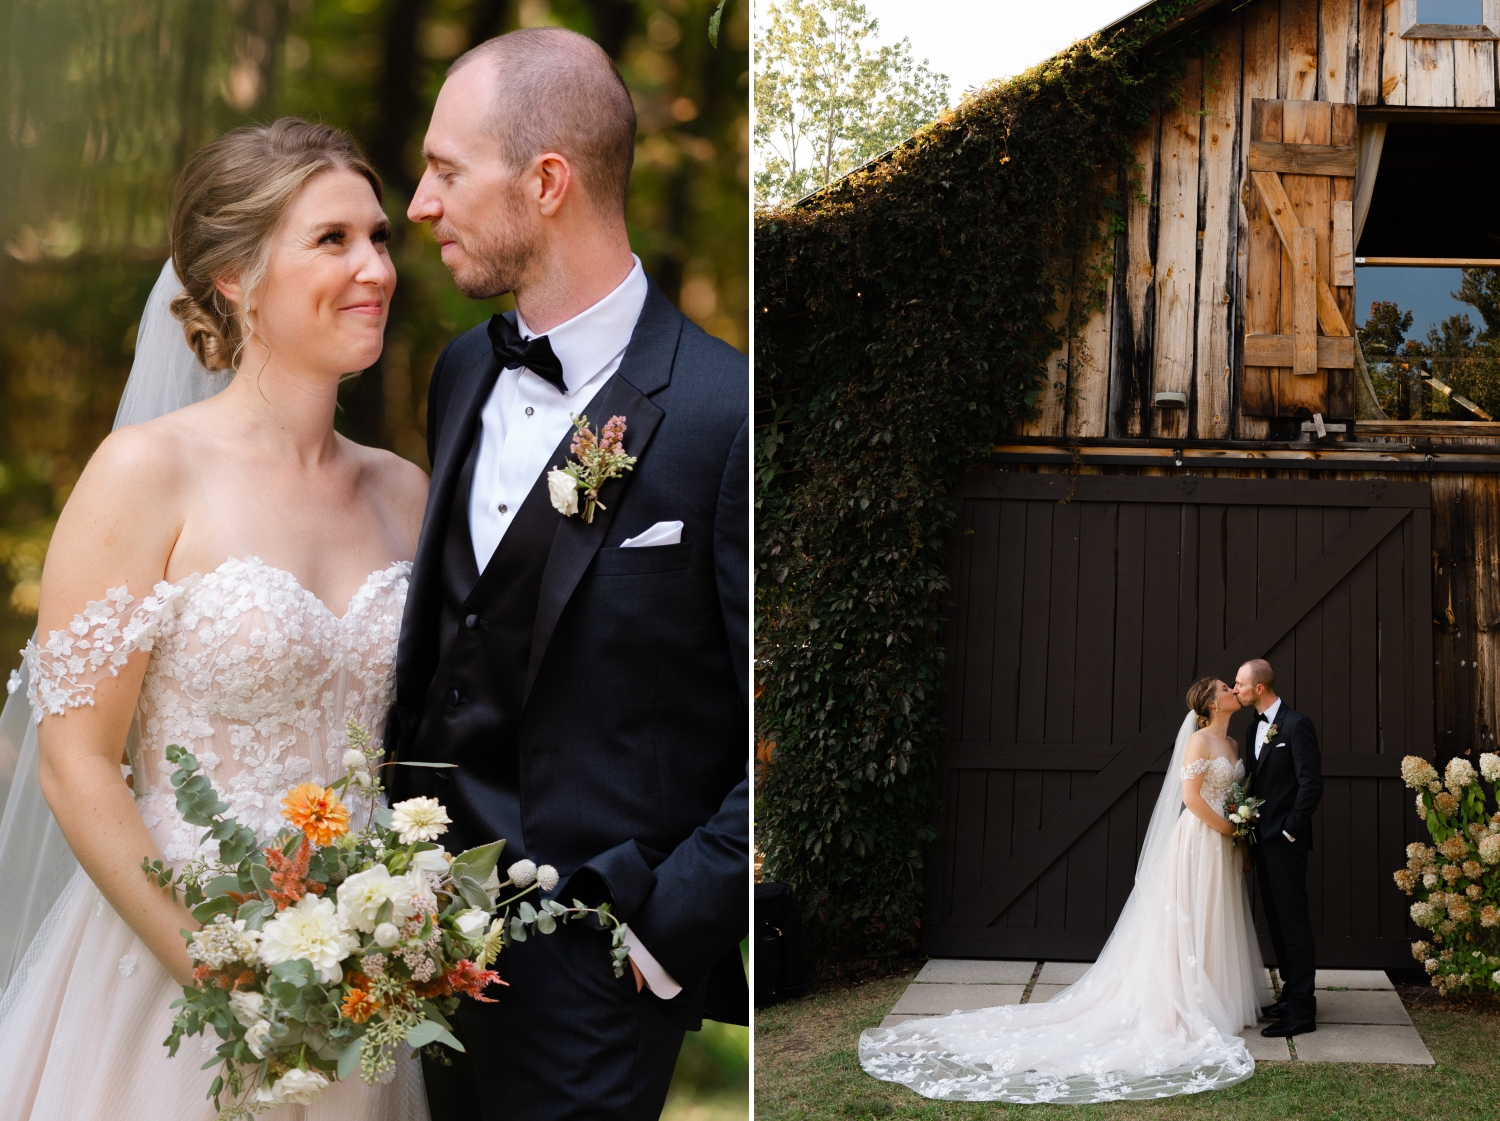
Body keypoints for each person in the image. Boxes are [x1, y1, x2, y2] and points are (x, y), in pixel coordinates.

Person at [0, 119, 431, 1119]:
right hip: (175, 972)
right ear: (234, 276)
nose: (375, 266)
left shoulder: (405, 491)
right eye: (332, 240)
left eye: (378, 237)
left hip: (359, 992)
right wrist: (226, 978)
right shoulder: (146, 474)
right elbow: (73, 760)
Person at [387, 27, 750, 1121]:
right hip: (413, 956)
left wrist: (660, 922)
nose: (418, 202)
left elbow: (769, 727)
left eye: (446, 170)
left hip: (594, 974)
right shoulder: (461, 371)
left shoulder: (725, 417)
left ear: (547, 182)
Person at [860, 678, 1268, 1104]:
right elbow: (1191, 798)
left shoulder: (1235, 746)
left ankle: (1214, 999)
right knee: (1189, 918)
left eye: (1232, 685)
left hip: (1222, 846)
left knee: (1216, 917)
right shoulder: (1199, 740)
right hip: (1199, 841)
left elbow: (1232, 794)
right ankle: (1180, 1004)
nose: (1231, 690)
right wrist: (1229, 827)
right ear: (1209, 703)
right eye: (1225, 687)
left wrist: (1238, 838)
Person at [1233, 658, 1323, 1038]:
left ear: (1259, 688)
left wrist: (1289, 832)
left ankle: (1302, 1012)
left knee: (1294, 924)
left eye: (1239, 683)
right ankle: (1290, 995)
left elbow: (1310, 786)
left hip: (1285, 843)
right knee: (1277, 922)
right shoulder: (1254, 725)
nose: (1234, 689)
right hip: (1262, 842)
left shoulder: (1296, 724)